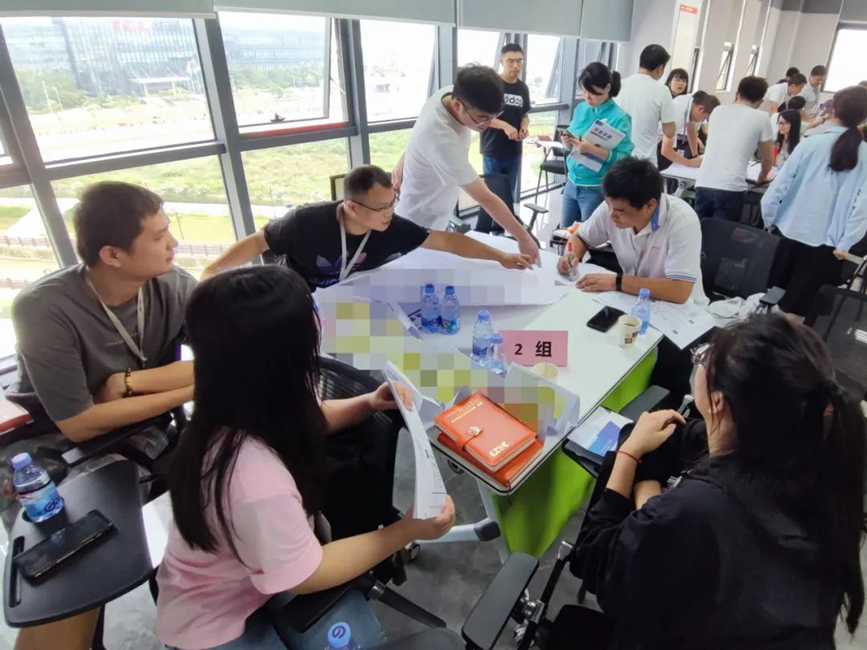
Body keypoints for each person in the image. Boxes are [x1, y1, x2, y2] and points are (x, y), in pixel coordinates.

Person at [155, 265, 456, 650]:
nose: (319, 321)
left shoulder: (238, 399)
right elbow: (306, 575)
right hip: (216, 619)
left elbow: (303, 422)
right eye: (310, 317)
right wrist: (406, 530)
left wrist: (367, 402)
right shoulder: (252, 479)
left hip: (255, 575)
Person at [570, 314, 865, 648]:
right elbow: (673, 439)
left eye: (702, 358)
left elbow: (594, 560)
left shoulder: (694, 513)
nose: (698, 362)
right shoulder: (810, 465)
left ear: (719, 401)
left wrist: (630, 455)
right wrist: (649, 496)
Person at [7, 181, 196, 650]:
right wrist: (192, 388)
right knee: (73, 579)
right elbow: (78, 422)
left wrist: (125, 384)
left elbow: (226, 355)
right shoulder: (43, 308)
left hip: (142, 432)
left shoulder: (174, 286)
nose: (173, 243)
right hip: (51, 450)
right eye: (158, 237)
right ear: (112, 254)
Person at [202, 165, 533, 289]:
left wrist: (500, 256)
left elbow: (447, 242)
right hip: (298, 294)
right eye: (381, 207)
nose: (390, 213)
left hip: (351, 296)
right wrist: (214, 270)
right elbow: (258, 242)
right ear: (352, 207)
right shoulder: (306, 221)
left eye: (393, 202)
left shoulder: (391, 226)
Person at [392, 65, 539, 264]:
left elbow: (418, 133)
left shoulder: (449, 93)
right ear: (457, 105)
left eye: (494, 116)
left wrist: (406, 157)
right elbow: (485, 198)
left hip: (439, 215)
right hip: (418, 227)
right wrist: (523, 237)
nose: (488, 124)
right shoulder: (442, 139)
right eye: (482, 118)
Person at [762, 85, 867, 321]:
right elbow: (863, 208)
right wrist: (846, 243)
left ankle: (765, 339)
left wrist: (769, 221)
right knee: (799, 312)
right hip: (828, 245)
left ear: (833, 110)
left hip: (789, 231)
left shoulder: (810, 143)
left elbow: (777, 188)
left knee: (772, 299)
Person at [557, 158, 705, 305]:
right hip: (634, 298)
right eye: (608, 205)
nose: (611, 215)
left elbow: (680, 291)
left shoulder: (682, 221)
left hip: (679, 309)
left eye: (620, 211)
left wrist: (618, 281)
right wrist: (570, 256)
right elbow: (580, 237)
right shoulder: (613, 207)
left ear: (650, 206)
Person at [558, 63, 633, 228]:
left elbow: (624, 158)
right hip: (571, 181)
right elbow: (572, 134)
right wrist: (567, 141)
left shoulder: (619, 117)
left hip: (595, 187)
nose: (587, 97)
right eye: (584, 91)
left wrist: (591, 150)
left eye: (592, 93)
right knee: (564, 233)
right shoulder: (581, 108)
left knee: (588, 235)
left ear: (607, 88)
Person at [694, 76, 774, 221]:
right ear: (761, 101)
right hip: (731, 188)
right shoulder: (762, 118)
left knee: (699, 230)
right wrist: (761, 178)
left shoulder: (717, 111)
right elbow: (768, 159)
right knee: (722, 233)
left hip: (704, 182)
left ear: (737, 93)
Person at [480, 43, 531, 202]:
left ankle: (505, 219)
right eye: (511, 61)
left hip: (514, 151)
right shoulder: (491, 85)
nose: (516, 65)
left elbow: (524, 114)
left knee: (508, 195)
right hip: (493, 150)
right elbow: (481, 117)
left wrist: (524, 126)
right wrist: (505, 126)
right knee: (492, 197)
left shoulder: (523, 88)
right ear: (502, 62)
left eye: (519, 61)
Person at [615, 44, 677, 164]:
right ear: (660, 67)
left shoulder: (620, 85)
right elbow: (669, 132)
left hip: (618, 157)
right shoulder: (662, 91)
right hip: (644, 161)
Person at [658, 90, 720, 169]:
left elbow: (691, 129)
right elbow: (666, 151)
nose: (701, 121)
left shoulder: (692, 103)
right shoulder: (677, 115)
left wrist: (695, 156)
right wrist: (689, 163)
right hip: (650, 140)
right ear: (701, 109)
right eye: (704, 118)